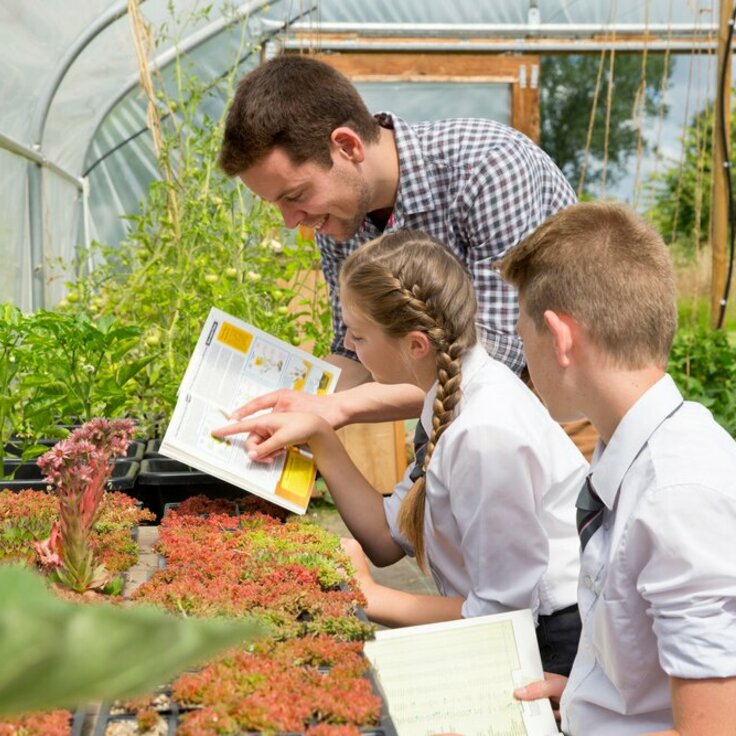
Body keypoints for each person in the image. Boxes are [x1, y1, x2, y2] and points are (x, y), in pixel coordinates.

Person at [213, 230, 587, 676]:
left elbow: (503, 618)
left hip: (553, 647)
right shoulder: (449, 397)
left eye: (358, 336)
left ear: (414, 344)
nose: (349, 348)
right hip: (518, 634)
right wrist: (320, 436)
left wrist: (372, 598)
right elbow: (388, 538)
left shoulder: (486, 434)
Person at [218, 54, 587, 447]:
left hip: (559, 410)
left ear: (347, 146)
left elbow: (499, 356)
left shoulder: (486, 166)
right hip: (457, 417)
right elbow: (354, 348)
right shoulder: (337, 217)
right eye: (279, 205)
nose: (291, 221)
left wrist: (340, 408)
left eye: (295, 196)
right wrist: (277, 409)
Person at [497, 201, 736, 735]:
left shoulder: (677, 496)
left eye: (521, 335)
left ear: (559, 338)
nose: (521, 358)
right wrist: (588, 699)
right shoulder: (636, 451)